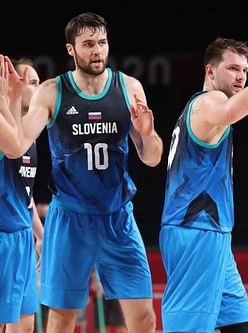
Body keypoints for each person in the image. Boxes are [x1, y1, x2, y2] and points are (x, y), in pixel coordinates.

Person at [18, 12, 163, 333]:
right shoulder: (51, 91)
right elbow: (19, 142)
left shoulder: (129, 86)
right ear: (71, 50)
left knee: (144, 319)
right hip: (70, 218)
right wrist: (8, 103)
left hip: (117, 217)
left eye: (102, 42)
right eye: (88, 44)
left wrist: (148, 133)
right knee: (62, 320)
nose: (97, 50)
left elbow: (153, 158)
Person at [160, 26, 248, 332]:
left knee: (239, 325)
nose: (241, 77)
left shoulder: (201, 107)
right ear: (210, 71)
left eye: (245, 70)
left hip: (213, 233)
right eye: (233, 69)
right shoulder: (207, 102)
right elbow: (230, 111)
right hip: (196, 229)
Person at [0, 56, 42, 332]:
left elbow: (25, 193)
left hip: (23, 237)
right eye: (32, 82)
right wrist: (10, 100)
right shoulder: (7, 128)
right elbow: (13, 148)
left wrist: (40, 233)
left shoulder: (31, 135)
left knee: (25, 325)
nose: (38, 89)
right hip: (4, 237)